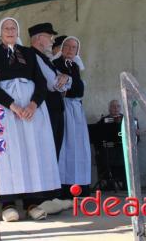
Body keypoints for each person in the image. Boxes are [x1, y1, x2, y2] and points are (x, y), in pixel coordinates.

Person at [0, 17, 62, 222]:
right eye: (6, 28)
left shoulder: (28, 53)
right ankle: (7, 203)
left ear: (18, 32)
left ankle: (32, 203)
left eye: (13, 28)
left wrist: (33, 104)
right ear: (0, 32)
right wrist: (13, 106)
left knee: (30, 152)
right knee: (7, 154)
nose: (10, 31)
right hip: (5, 109)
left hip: (31, 111)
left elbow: (41, 83)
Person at [52, 36, 91, 197]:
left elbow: (79, 90)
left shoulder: (74, 66)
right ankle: (63, 186)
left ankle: (79, 185)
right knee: (65, 147)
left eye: (73, 47)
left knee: (78, 147)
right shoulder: (55, 64)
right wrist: (72, 84)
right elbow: (62, 89)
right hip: (63, 108)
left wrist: (71, 82)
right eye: (67, 46)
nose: (70, 50)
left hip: (76, 110)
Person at [29, 23, 71, 159]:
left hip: (55, 111)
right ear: (40, 38)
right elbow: (53, 83)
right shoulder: (33, 56)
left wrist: (66, 78)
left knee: (55, 151)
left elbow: (66, 82)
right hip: (46, 111)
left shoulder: (46, 59)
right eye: (50, 37)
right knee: (48, 153)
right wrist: (63, 80)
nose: (52, 40)